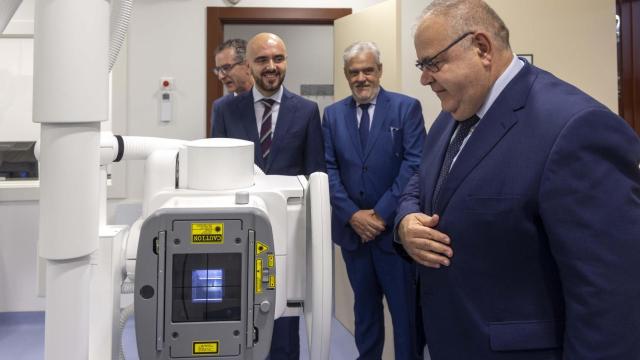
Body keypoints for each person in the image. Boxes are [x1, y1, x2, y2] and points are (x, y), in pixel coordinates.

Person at [395, 1, 640, 359]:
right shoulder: (452, 116)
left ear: (481, 48)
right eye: (421, 66)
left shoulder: (575, 128)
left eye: (433, 63)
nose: (424, 78)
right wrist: (405, 221)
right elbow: (422, 180)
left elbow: (610, 298)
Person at [212, 32, 325, 359]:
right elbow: (215, 174)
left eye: (278, 59)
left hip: (289, 239)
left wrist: (313, 239)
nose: (271, 66)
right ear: (249, 65)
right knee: (237, 318)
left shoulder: (306, 111)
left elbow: (316, 177)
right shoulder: (225, 111)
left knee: (285, 326)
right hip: (238, 236)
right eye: (262, 60)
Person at [322, 41, 426, 359]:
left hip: (394, 236)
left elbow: (414, 165)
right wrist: (353, 215)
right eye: (354, 72)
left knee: (406, 317)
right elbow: (328, 169)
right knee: (365, 315)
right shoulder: (332, 115)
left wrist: (380, 215)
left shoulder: (405, 108)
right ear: (346, 75)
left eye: (368, 70)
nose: (362, 77)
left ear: (379, 71)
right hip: (355, 238)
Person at [210, 38, 254, 137]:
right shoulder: (221, 107)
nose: (221, 76)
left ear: (248, 65)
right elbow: (218, 148)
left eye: (226, 68)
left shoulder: (271, 100)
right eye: (218, 70)